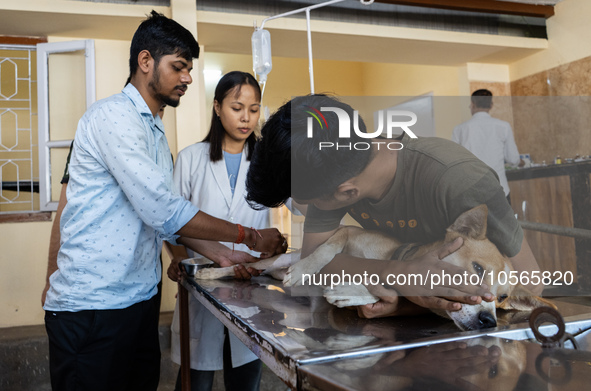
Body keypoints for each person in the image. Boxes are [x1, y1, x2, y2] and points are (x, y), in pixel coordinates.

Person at [43, 12, 285, 391]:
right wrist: (248, 238)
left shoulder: (153, 133)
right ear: (145, 62)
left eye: (189, 68)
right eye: (179, 67)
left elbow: (162, 221)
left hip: (138, 301)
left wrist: (225, 256)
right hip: (94, 306)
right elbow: (166, 211)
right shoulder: (113, 118)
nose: (188, 77)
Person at [245, 94, 542, 320]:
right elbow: (313, 260)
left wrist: (403, 297)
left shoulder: (459, 181)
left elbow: (531, 283)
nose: (304, 207)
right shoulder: (333, 163)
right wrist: (396, 273)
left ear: (348, 192)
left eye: (307, 203)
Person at [165, 71, 267, 391]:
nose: (246, 118)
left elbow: (302, 202)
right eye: (237, 108)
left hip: (251, 289)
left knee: (246, 381)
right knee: (196, 383)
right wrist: (183, 262)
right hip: (200, 290)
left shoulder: (268, 161)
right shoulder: (191, 158)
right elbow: (171, 223)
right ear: (217, 107)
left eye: (254, 109)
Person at [451, 89, 524, 205]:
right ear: (491, 105)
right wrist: (521, 162)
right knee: (502, 223)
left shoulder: (459, 129)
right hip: (499, 190)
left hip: (471, 191)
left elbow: (454, 161)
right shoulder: (503, 126)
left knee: (475, 224)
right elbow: (513, 158)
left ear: (473, 104)